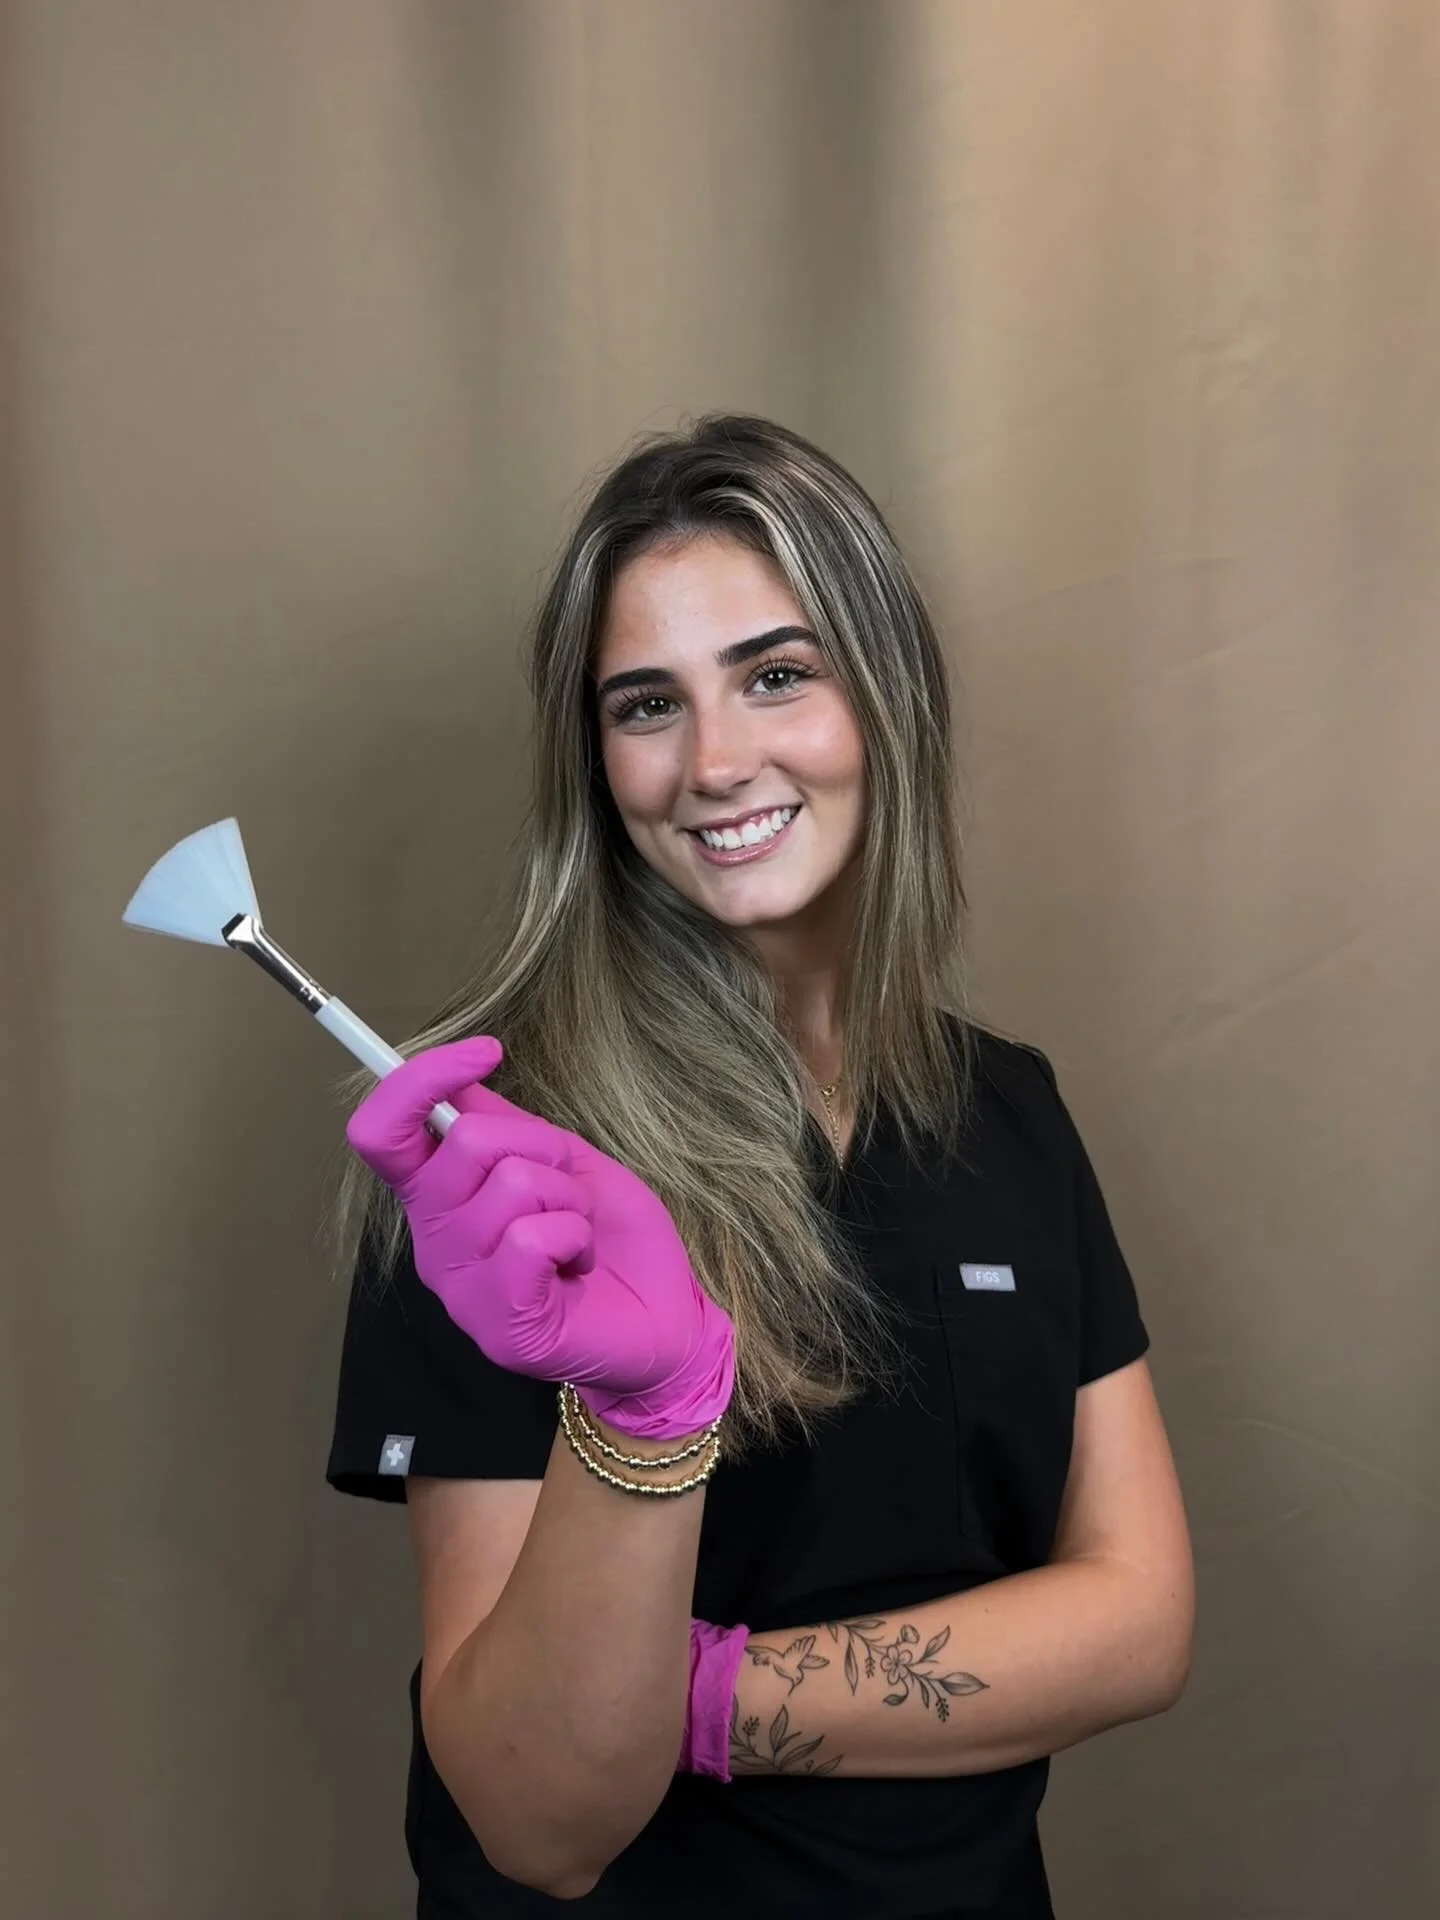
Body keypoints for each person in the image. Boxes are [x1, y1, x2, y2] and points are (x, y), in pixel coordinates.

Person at [326, 414, 1194, 1919]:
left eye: (777, 675)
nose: (716, 764)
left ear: (887, 699)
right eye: (646, 705)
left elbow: (1140, 1619)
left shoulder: (1012, 1112)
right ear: (593, 764)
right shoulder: (491, 1165)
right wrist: (642, 1415)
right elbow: (542, 1817)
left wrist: (704, 1702)